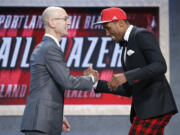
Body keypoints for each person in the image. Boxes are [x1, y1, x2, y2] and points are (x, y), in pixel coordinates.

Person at [85, 7, 178, 135]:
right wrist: (96, 83)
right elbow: (129, 89)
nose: (107, 34)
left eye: (108, 28)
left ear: (121, 23)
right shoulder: (125, 46)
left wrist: (126, 76)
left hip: (155, 108)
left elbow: (160, 65)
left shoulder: (141, 35)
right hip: (147, 110)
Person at [20, 7, 98, 135]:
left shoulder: (46, 47)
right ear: (52, 22)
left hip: (44, 120)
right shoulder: (50, 48)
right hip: (41, 123)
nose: (69, 23)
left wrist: (57, 117)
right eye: (65, 19)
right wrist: (91, 79)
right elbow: (67, 81)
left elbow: (46, 85)